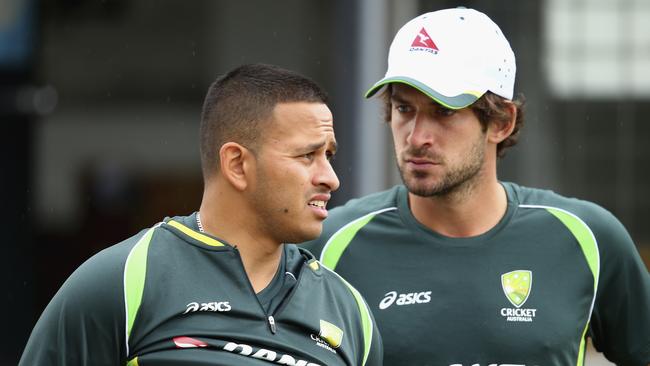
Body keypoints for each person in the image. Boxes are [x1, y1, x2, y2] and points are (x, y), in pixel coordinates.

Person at [304, 7, 650, 366]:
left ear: (501, 122)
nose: (417, 136)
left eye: (444, 112)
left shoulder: (588, 238)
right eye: (404, 109)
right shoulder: (329, 246)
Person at [20, 64, 383, 366]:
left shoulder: (350, 312)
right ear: (237, 164)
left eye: (329, 156)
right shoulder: (125, 280)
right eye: (308, 156)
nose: (330, 178)